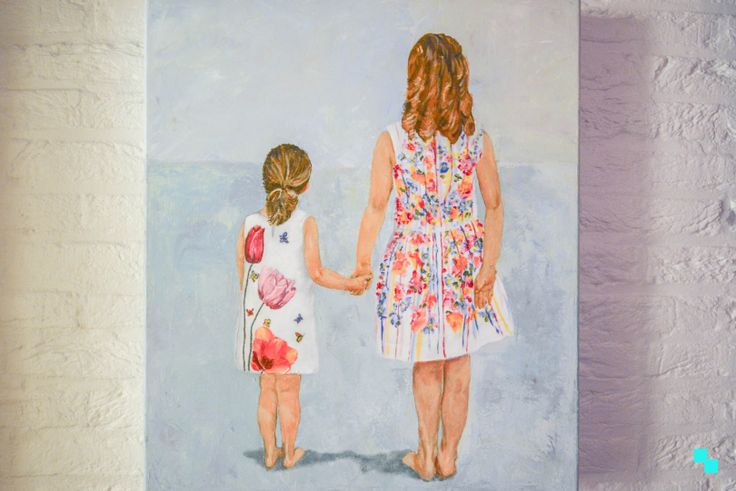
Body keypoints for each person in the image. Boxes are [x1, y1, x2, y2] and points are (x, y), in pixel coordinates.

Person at [353, 33, 515, 480]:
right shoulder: (476, 139)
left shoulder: (391, 140)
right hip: (464, 260)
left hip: (416, 264)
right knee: (459, 364)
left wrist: (363, 263)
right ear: (459, 78)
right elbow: (494, 206)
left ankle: (426, 456)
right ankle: (448, 456)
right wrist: (487, 266)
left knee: (427, 364)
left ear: (415, 80)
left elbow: (376, 207)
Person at [235, 143, 371, 469]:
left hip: (260, 321)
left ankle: (269, 452)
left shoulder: (249, 223)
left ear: (266, 180)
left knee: (267, 389)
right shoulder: (305, 223)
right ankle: (289, 452)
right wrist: (351, 283)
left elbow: (243, 273)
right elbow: (318, 273)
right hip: (292, 324)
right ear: (305, 185)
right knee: (289, 392)